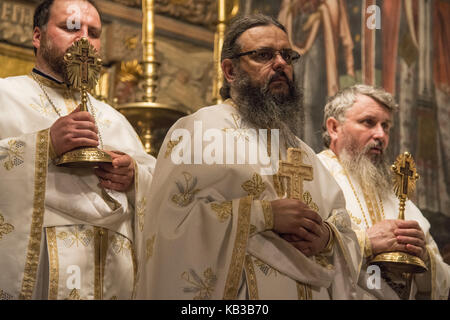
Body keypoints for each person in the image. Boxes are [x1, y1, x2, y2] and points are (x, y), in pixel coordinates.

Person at [135, 14, 362, 300]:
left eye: (287, 56)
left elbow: (342, 224)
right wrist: (264, 215)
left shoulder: (302, 152)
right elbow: (170, 227)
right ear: (230, 71)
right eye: (263, 55)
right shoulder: (198, 131)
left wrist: (328, 238)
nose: (280, 64)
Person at [0, 0, 155, 300]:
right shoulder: (5, 97)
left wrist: (135, 176)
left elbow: (161, 190)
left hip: (109, 271)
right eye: (71, 27)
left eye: (94, 32)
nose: (84, 38)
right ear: (37, 36)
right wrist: (44, 144)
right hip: (37, 269)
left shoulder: (114, 118)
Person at [318, 84, 450, 299]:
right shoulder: (314, 176)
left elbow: (443, 283)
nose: (381, 134)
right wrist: (364, 243)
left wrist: (423, 257)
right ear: (334, 127)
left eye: (386, 126)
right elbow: (299, 255)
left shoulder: (395, 195)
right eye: (368, 122)